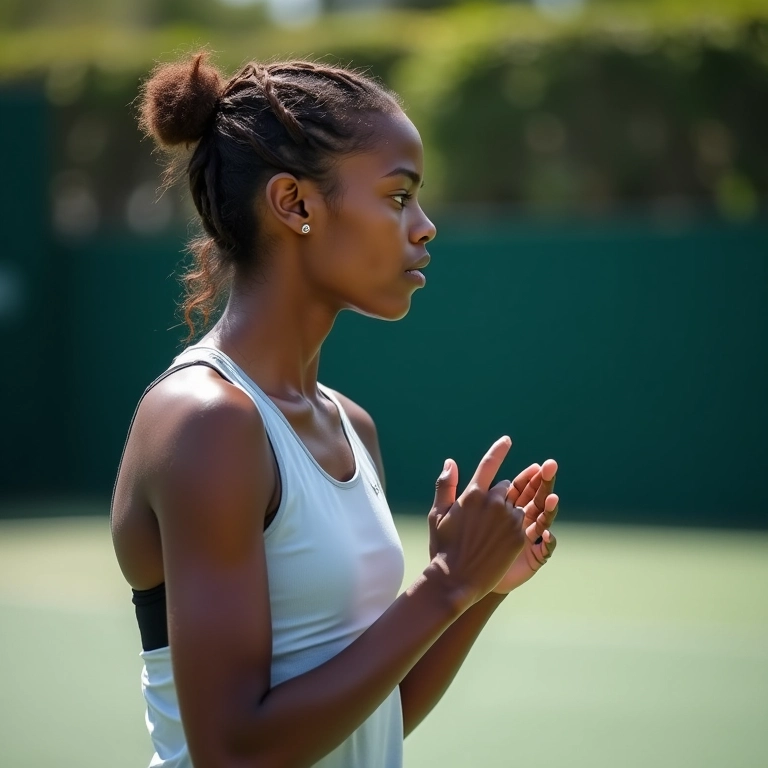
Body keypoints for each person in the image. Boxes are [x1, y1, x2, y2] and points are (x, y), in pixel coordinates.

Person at [110, 52, 560, 768]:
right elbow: (237, 753)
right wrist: (444, 585)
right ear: (295, 204)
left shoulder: (352, 426)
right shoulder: (208, 421)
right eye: (398, 195)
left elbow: (371, 718)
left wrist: (480, 587)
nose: (425, 225)